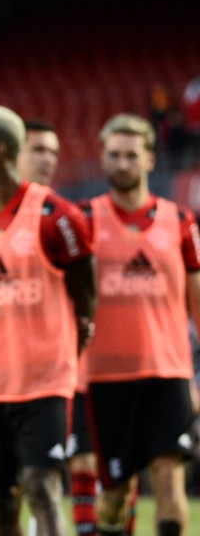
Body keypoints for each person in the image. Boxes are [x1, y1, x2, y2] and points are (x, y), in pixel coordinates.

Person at [0, 105, 96, 536]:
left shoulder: (56, 216)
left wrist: (80, 330)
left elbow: (86, 285)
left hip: (41, 383)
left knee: (41, 489)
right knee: (1, 502)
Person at [82, 114, 200, 536]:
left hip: (167, 371)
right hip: (107, 376)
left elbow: (197, 299)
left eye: (132, 155)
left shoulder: (181, 223)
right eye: (114, 155)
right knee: (116, 494)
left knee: (170, 478)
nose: (123, 163)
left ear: (150, 159)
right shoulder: (85, 222)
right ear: (103, 158)